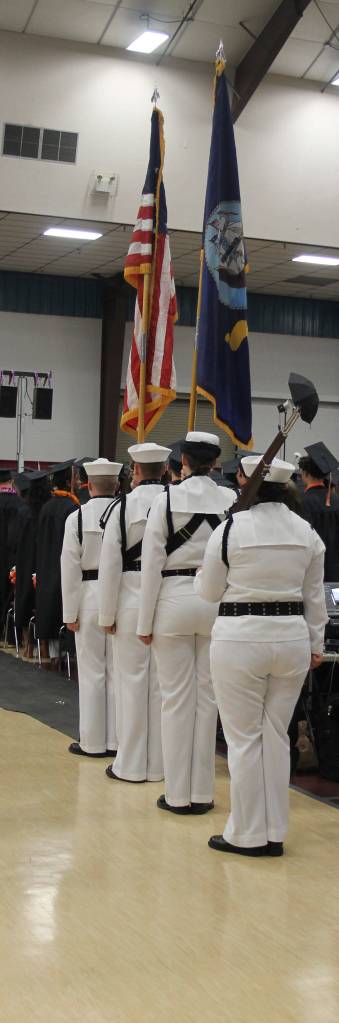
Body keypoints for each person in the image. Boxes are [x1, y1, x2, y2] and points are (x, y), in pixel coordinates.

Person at [194, 455, 327, 857]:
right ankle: (274, 830)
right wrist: (316, 644)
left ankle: (246, 833)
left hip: (240, 640)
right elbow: (314, 597)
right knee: (274, 735)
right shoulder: (305, 531)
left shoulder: (230, 528)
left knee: (243, 738)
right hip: (291, 640)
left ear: (245, 482)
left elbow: (208, 592)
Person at [137, 431, 234, 814]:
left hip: (174, 599)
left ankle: (178, 794)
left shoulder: (166, 499)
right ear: (213, 462)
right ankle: (203, 793)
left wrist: (145, 622)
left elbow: (151, 565)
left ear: (184, 461)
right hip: (216, 601)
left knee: (175, 699)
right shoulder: (231, 500)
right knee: (207, 699)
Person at [98, 442, 171, 782]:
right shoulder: (176, 503)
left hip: (129, 600)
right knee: (161, 688)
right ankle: (158, 765)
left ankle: (129, 764)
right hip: (167, 599)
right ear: (165, 469)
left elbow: (110, 566)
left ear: (136, 470)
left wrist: (106, 616)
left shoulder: (121, 507)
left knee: (130, 685)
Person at [61, 458, 122, 757]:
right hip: (120, 594)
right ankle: (115, 741)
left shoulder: (77, 518)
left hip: (87, 594)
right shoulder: (124, 513)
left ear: (88, 485)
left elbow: (69, 568)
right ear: (117, 485)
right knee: (116, 671)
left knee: (91, 672)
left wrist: (70, 613)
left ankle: (93, 741)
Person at [36, 459, 79, 659]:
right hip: (63, 568)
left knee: (50, 609)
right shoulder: (72, 508)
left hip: (46, 566)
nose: (77, 480)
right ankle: (64, 655)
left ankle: (52, 654)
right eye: (75, 477)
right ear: (69, 481)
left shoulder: (46, 507)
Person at [15, 470, 52, 654]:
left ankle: (27, 645)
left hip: (26, 559)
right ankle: (44, 647)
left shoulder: (24, 511)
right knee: (41, 602)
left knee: (25, 598)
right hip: (43, 560)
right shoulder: (48, 510)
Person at [299, 442, 339, 581]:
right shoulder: (335, 499)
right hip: (335, 566)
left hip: (314, 566)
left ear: (305, 473)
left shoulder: (303, 502)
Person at [0, 467, 26, 634]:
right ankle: (9, 633)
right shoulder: (20, 504)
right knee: (9, 594)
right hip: (11, 556)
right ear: (11, 481)